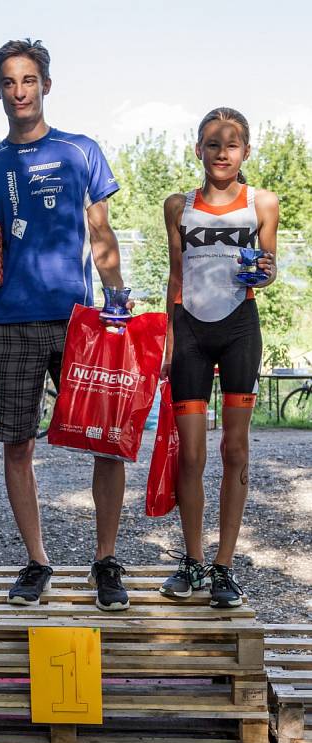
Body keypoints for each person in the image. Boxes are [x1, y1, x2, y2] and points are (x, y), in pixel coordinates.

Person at [0, 38, 130, 611]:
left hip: (77, 319)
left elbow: (101, 234)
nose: (19, 91)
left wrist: (117, 301)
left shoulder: (81, 151)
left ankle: (105, 561)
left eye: (28, 80)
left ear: (46, 85)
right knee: (17, 446)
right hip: (8, 321)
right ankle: (37, 563)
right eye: (8, 82)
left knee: (106, 440)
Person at [159, 107, 279, 608]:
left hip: (238, 331)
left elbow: (268, 268)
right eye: (212, 144)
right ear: (198, 151)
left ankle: (224, 567)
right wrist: (167, 341)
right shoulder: (177, 205)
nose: (222, 152)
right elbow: (176, 276)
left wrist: (265, 272)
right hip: (189, 331)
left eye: (232, 145)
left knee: (235, 452)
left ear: (245, 152)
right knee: (190, 454)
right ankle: (191, 561)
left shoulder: (263, 202)